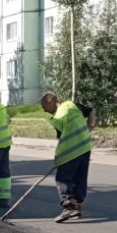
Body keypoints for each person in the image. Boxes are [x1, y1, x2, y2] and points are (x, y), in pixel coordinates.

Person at [40, 93, 93, 223]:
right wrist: (89, 127)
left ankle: (69, 206)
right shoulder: (72, 105)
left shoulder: (58, 117)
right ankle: (78, 205)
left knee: (63, 178)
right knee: (80, 177)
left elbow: (62, 140)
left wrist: (58, 158)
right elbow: (91, 111)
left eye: (44, 107)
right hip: (85, 146)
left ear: (50, 102)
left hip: (70, 150)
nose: (44, 110)